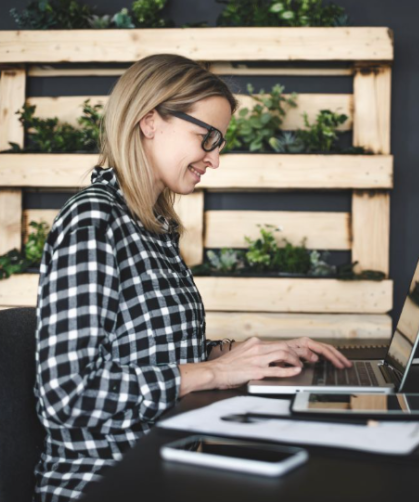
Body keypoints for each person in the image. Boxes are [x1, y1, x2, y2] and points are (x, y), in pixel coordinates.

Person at [32, 53, 352, 502]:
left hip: (168, 459)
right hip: (107, 480)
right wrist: (214, 372)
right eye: (207, 138)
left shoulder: (153, 225)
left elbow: (146, 351)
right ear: (149, 121)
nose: (214, 159)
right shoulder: (94, 220)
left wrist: (243, 354)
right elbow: (67, 396)